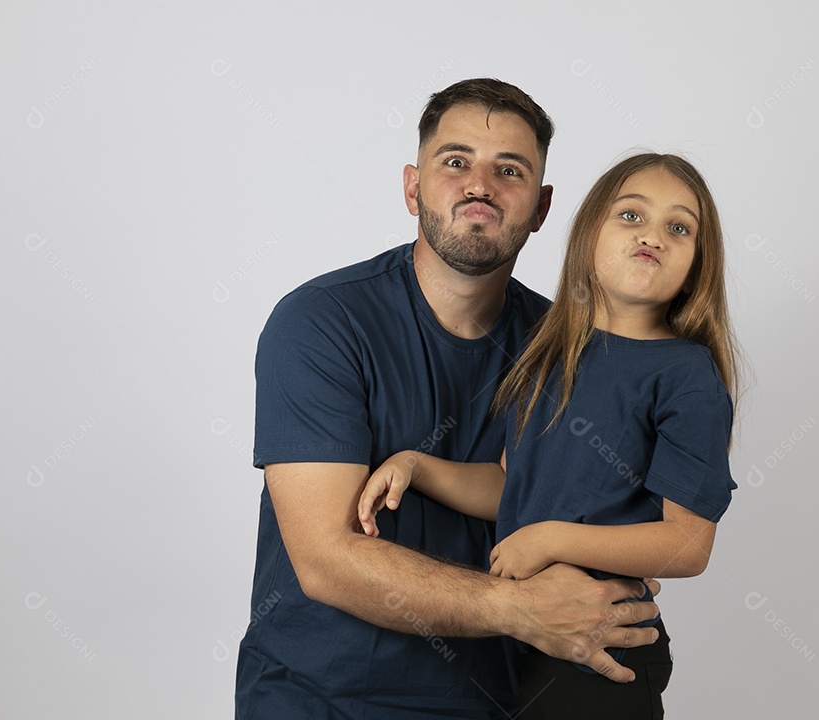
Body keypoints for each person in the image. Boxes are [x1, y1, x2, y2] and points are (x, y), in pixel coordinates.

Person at [236, 79, 662, 719]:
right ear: (412, 187)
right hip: (320, 701)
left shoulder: (568, 354)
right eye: (455, 161)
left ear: (542, 208)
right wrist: (525, 610)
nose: (480, 185)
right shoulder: (320, 324)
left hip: (494, 702)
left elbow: (592, 523)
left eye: (509, 170)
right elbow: (326, 560)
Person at [358, 152, 740, 719]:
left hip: (601, 648)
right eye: (631, 216)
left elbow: (687, 545)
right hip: (520, 643)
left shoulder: (686, 375)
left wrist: (549, 540)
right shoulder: (547, 355)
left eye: (679, 227)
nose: (653, 236)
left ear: (698, 264)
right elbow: (513, 484)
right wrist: (419, 465)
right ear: (589, 234)